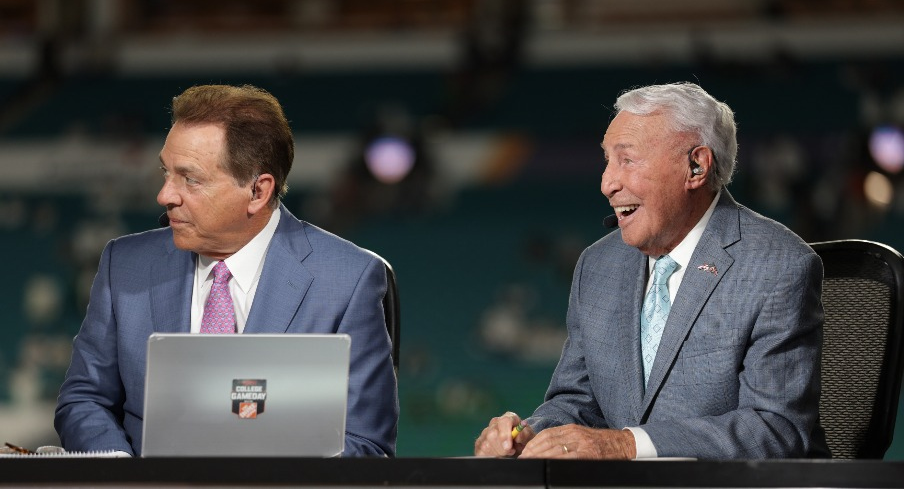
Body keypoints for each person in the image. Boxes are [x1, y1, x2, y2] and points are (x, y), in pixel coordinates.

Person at [474, 82, 829, 460]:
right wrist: (527, 435)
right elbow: (577, 402)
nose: (607, 183)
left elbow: (775, 431)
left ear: (696, 166)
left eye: (627, 160)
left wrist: (626, 445)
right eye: (607, 160)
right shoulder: (598, 266)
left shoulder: (777, 265)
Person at [55, 84, 398, 457]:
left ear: (257, 192)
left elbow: (366, 444)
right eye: (166, 173)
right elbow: (84, 399)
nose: (165, 195)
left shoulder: (348, 279)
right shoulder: (124, 264)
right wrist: (123, 475)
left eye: (190, 179)